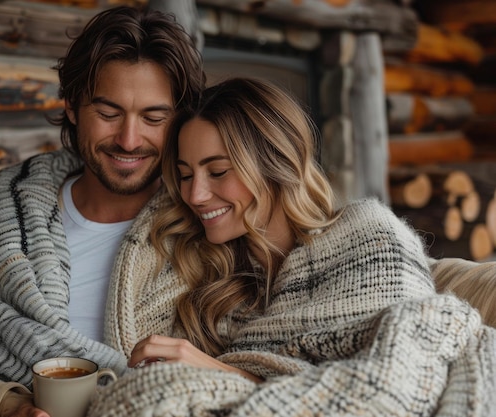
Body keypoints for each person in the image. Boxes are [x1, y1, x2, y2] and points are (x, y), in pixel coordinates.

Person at [84, 77, 496, 416]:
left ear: (276, 163)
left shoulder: (370, 238)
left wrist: (213, 371)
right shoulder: (217, 281)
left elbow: (395, 384)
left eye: (218, 171)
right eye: (186, 174)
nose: (195, 194)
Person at [0, 5, 205, 417]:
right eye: (107, 113)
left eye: (153, 117)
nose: (129, 139)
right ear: (71, 106)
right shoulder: (11, 205)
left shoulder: (201, 221)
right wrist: (8, 405)